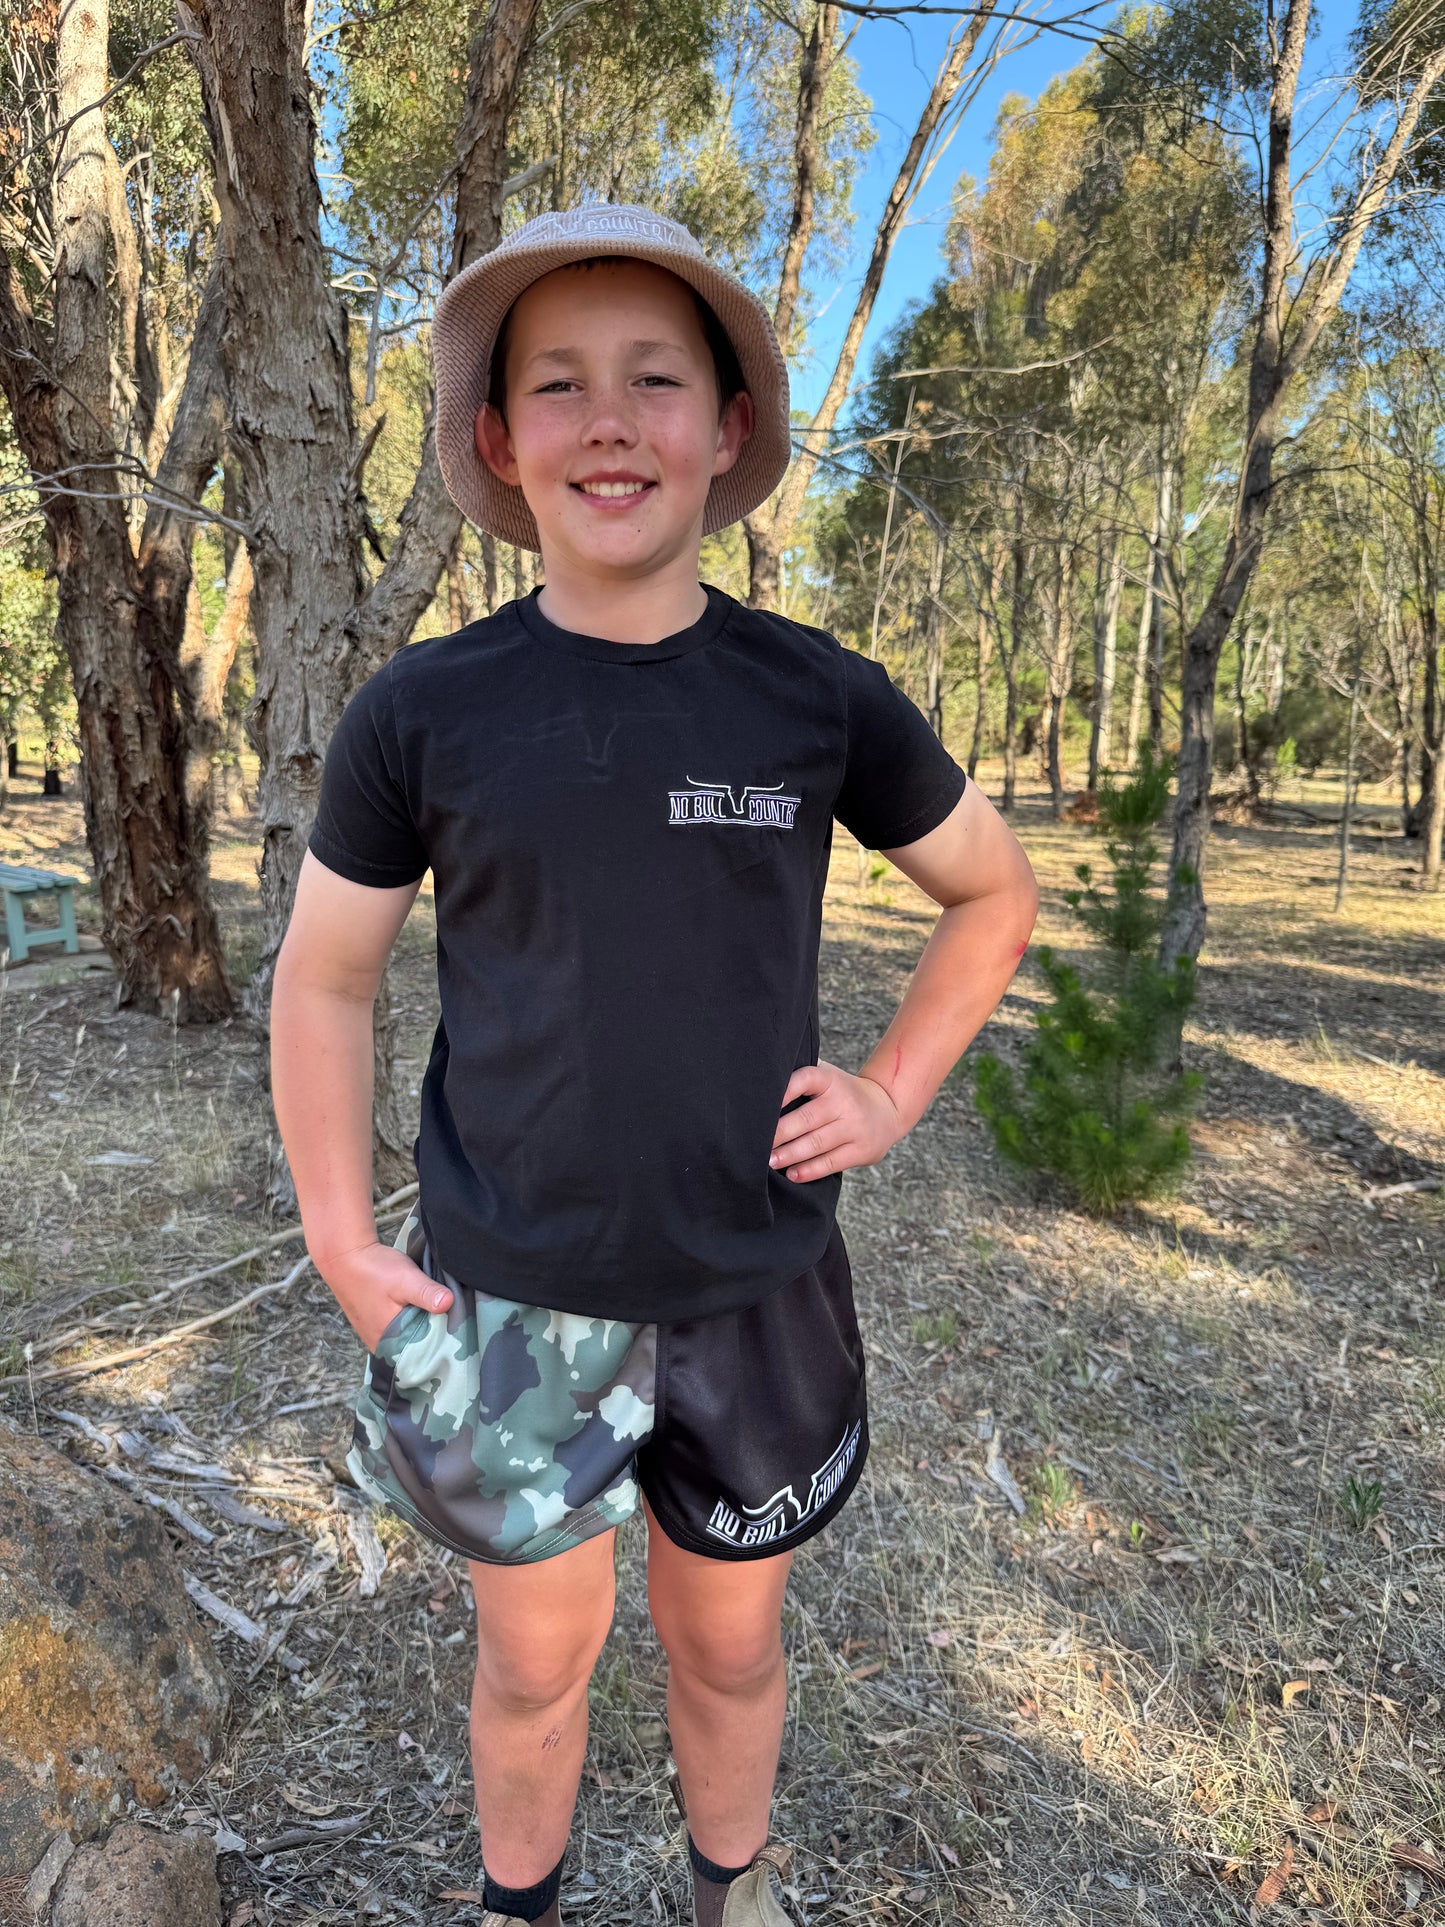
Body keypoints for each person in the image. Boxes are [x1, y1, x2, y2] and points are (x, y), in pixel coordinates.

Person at [271, 204, 1039, 1927]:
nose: (607, 420)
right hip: (508, 1304)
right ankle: (516, 1908)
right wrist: (337, 1232)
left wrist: (896, 1091)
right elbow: (325, 980)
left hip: (756, 1290)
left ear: (726, 429)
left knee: (729, 1642)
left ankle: (728, 1892)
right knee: (536, 1667)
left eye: (653, 379)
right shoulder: (425, 712)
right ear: (496, 441)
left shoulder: (815, 698)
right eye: (556, 385)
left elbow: (991, 895)